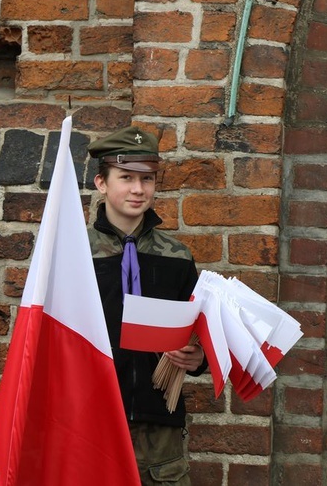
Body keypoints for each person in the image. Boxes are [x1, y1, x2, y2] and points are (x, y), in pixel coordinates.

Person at [87, 126, 206, 485]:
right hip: (91, 421)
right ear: (102, 183)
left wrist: (198, 359)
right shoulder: (73, 254)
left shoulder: (177, 258)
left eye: (148, 179)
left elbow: (200, 335)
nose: (138, 190)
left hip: (159, 432)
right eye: (126, 178)